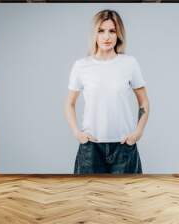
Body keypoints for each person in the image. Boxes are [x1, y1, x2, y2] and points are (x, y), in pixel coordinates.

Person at [64, 9, 150, 174]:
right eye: (101, 31)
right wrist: (77, 132)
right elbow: (69, 103)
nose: (107, 36)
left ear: (119, 34)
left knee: (125, 198)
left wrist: (138, 132)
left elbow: (144, 101)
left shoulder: (129, 63)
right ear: (94, 34)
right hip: (90, 149)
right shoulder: (81, 66)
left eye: (112, 31)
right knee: (89, 198)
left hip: (124, 147)